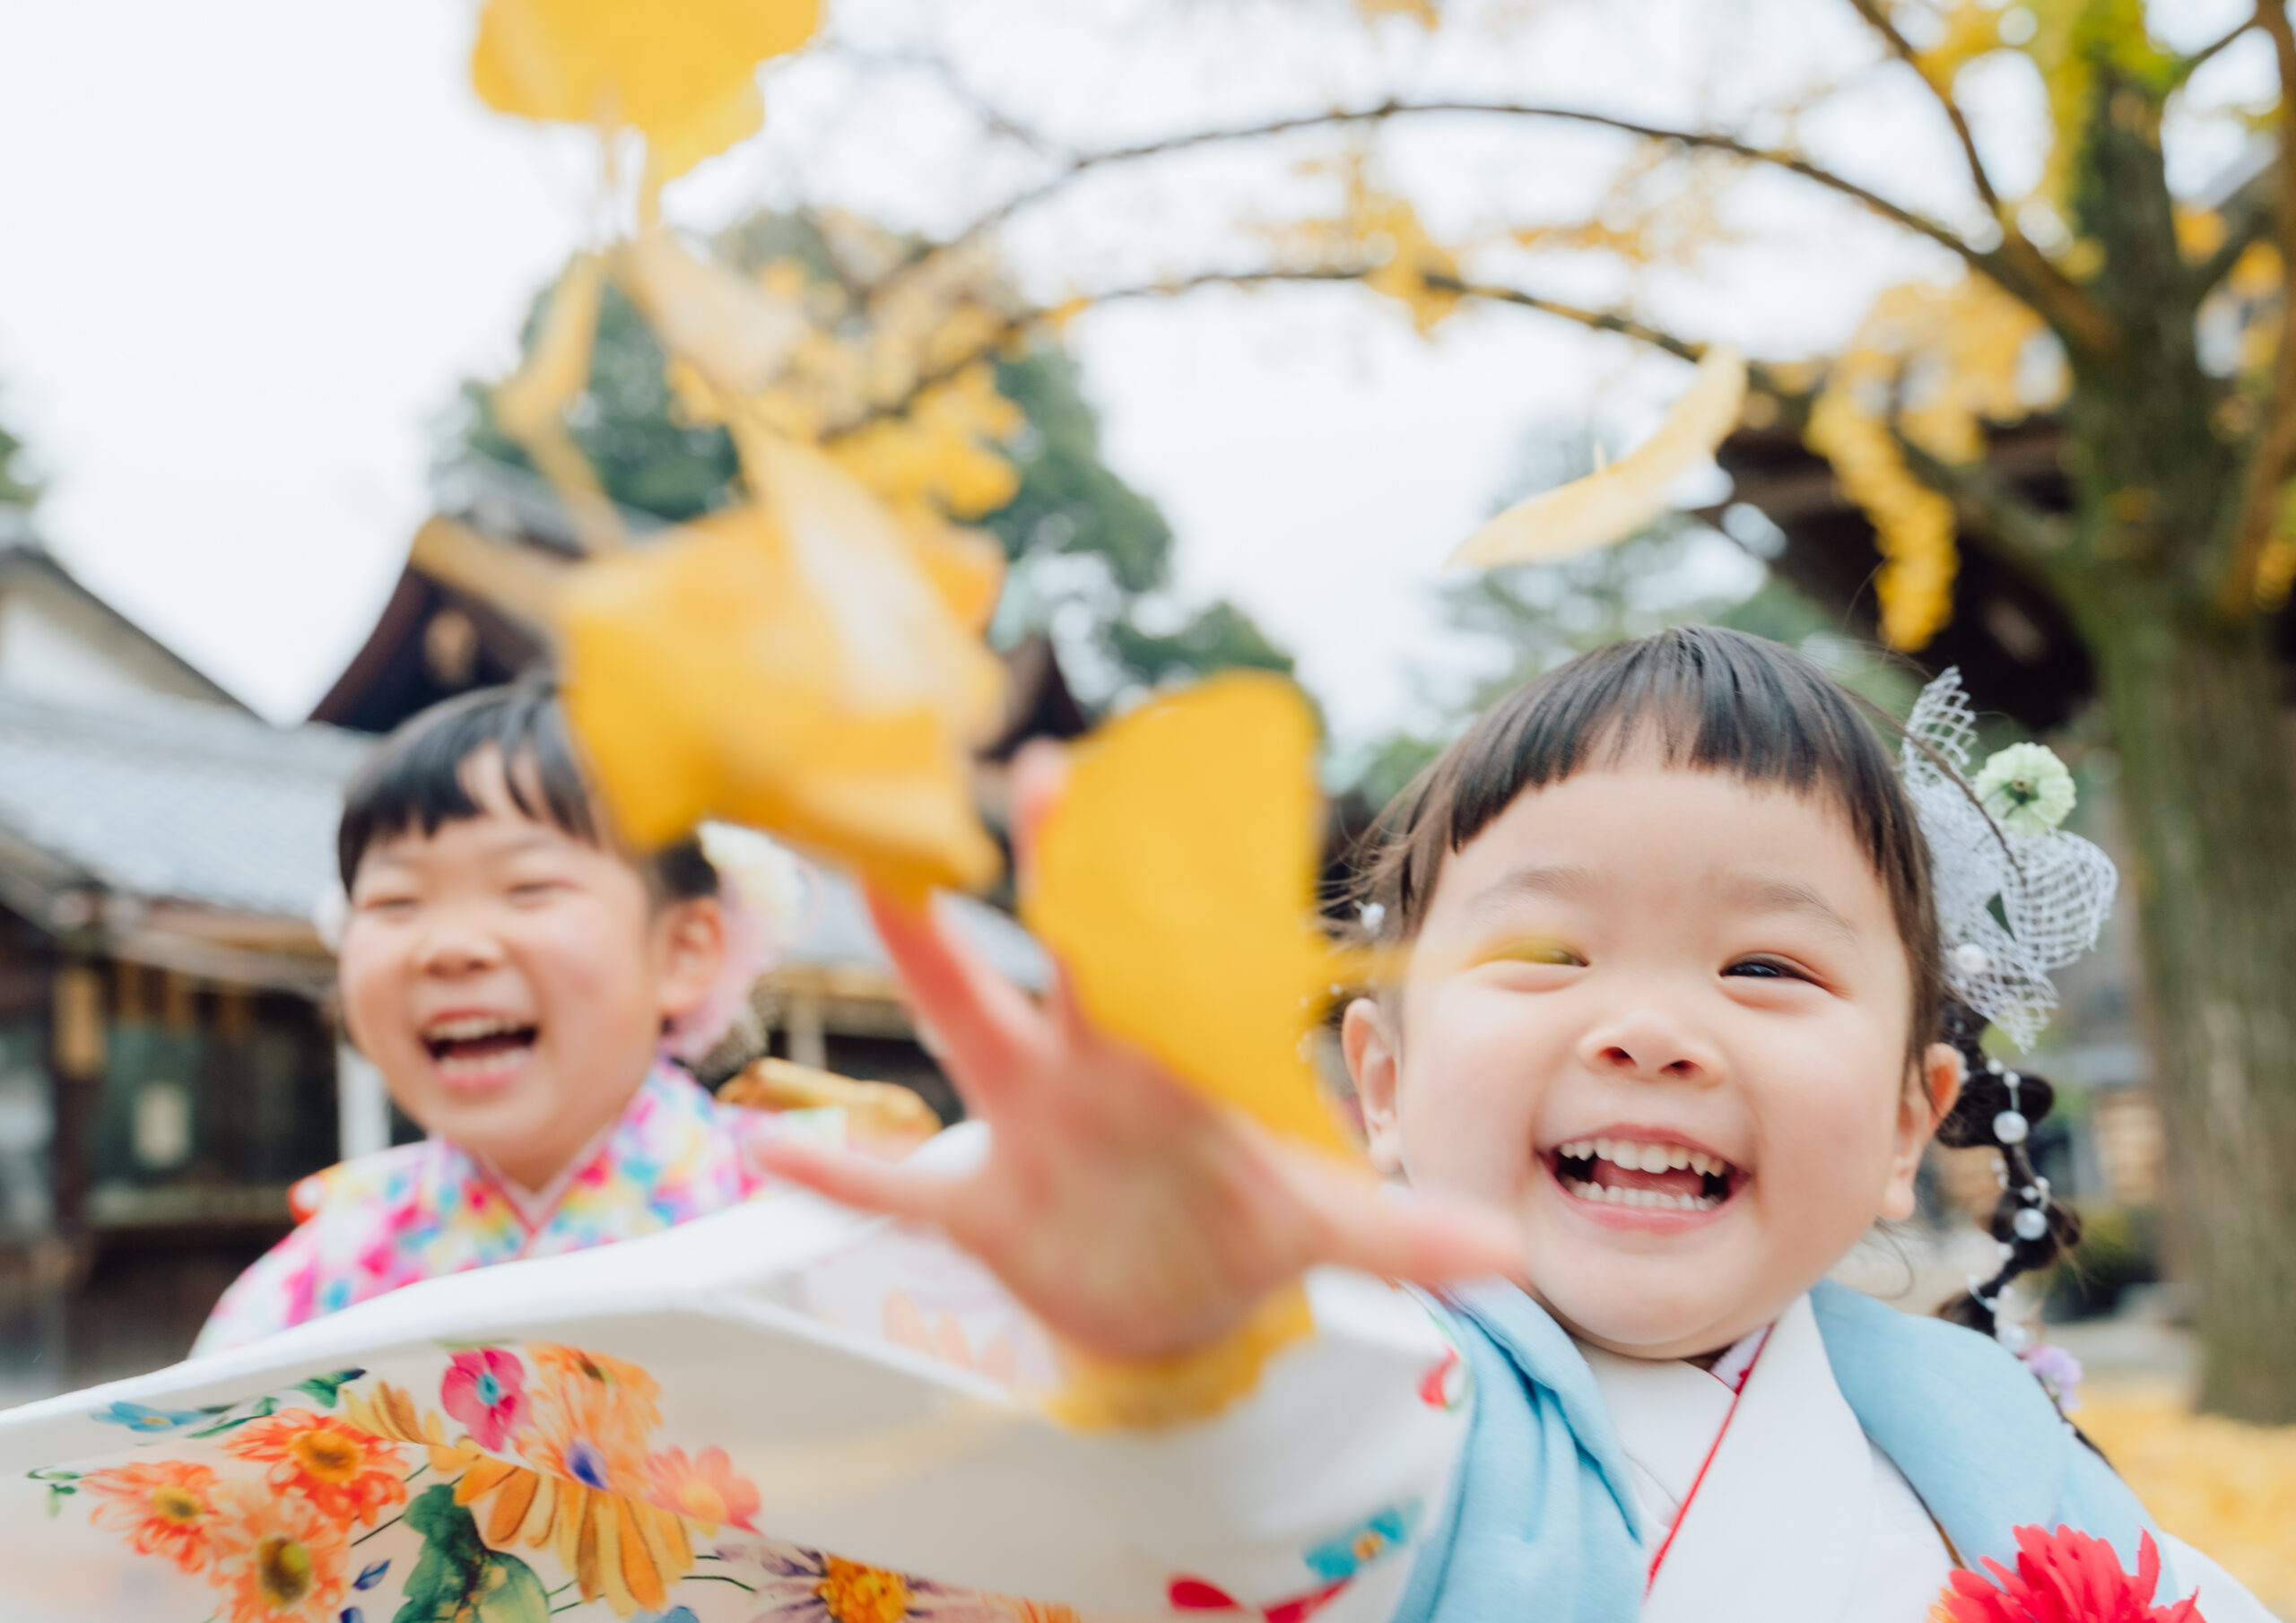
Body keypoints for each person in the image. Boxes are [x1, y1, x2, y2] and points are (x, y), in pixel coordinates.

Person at [746, 626, 2267, 1619]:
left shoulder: (1993, 1447)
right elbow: (1222, 1446)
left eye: (1767, 965)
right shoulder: (1334, 1373)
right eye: (1548, 953)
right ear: (1383, 1081)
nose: (1653, 1028)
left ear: (1902, 1124)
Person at [193, 678, 841, 1354]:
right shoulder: (314, 1276)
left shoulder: (831, 1208)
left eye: (528, 888)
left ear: (682, 950)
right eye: (395, 902)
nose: (449, 948)